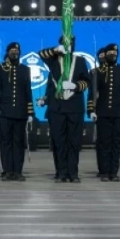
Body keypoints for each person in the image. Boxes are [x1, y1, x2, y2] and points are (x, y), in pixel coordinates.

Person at [39, 36, 91, 182]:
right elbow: (41, 53)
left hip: (75, 107)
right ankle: (61, 172)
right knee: (59, 142)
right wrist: (57, 50)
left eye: (72, 44)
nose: (70, 46)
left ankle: (73, 173)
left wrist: (75, 85)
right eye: (66, 44)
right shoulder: (53, 60)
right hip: (57, 108)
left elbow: (86, 81)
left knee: (74, 142)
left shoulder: (80, 61)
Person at [88, 43, 120, 181]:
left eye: (115, 53)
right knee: (104, 143)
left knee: (116, 143)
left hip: (119, 113)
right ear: (105, 55)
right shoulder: (97, 72)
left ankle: (114, 172)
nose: (113, 55)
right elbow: (92, 93)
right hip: (103, 113)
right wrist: (91, 109)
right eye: (110, 53)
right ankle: (104, 171)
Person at [0, 42, 33, 181]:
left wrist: (30, 113)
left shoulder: (25, 69)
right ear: (7, 52)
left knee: (18, 143)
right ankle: (7, 170)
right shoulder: (1, 68)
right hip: (4, 112)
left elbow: (28, 92)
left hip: (21, 113)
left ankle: (18, 171)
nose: (14, 52)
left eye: (16, 50)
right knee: (6, 143)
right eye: (12, 50)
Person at [88, 47, 106, 177]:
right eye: (100, 56)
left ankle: (111, 169)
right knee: (100, 142)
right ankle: (102, 168)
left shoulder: (119, 71)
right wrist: (91, 109)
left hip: (113, 112)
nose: (103, 58)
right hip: (99, 110)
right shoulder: (94, 72)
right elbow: (91, 94)